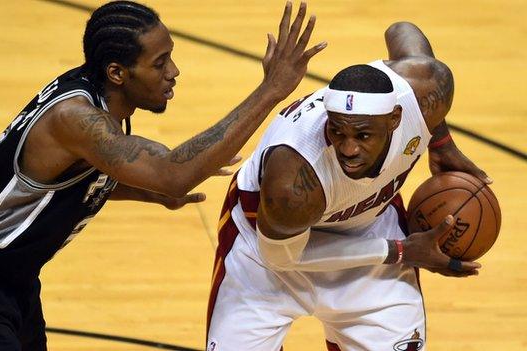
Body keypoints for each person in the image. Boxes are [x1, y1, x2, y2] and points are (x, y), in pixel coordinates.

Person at [0, 1, 326, 350]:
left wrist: (146, 192)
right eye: (159, 63)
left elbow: (76, 180)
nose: (173, 71)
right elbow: (172, 173)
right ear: (117, 73)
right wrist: (272, 89)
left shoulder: (102, 105)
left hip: (13, 275)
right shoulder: (74, 118)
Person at [206, 21, 491, 351]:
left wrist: (440, 142)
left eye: (363, 135)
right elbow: (282, 258)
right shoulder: (294, 181)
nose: (348, 148)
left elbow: (402, 30)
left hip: (368, 230)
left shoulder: (426, 89)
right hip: (265, 253)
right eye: (338, 131)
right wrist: (400, 251)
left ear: (396, 118)